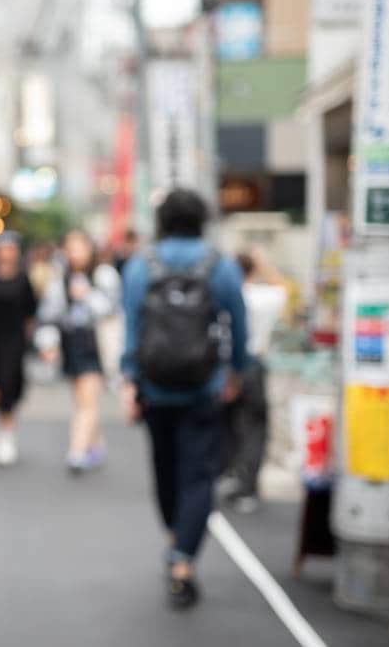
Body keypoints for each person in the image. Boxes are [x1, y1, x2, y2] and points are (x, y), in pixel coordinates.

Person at [120, 188, 247, 611]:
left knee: (164, 468)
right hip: (202, 387)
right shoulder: (220, 266)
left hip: (154, 387)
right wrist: (235, 372)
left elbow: (132, 328)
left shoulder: (142, 265)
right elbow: (238, 326)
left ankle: (176, 538)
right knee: (198, 476)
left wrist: (128, 380)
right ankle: (183, 560)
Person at [37, 230, 121, 473]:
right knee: (82, 399)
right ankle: (96, 444)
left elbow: (112, 309)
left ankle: (77, 450)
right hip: (71, 342)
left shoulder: (103, 275)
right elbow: (50, 315)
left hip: (95, 344)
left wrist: (88, 295)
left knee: (87, 399)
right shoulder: (60, 278)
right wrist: (48, 344)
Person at [219, 246, 287, 513]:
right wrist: (263, 264)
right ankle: (247, 487)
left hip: (227, 367)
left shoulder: (226, 297)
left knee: (228, 423)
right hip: (254, 365)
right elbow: (284, 287)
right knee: (255, 427)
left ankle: (228, 473)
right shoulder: (264, 296)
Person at [0, 232, 38, 466]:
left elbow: (31, 309)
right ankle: (2, 429)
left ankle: (6, 430)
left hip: (16, 338)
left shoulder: (23, 278)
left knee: (11, 381)